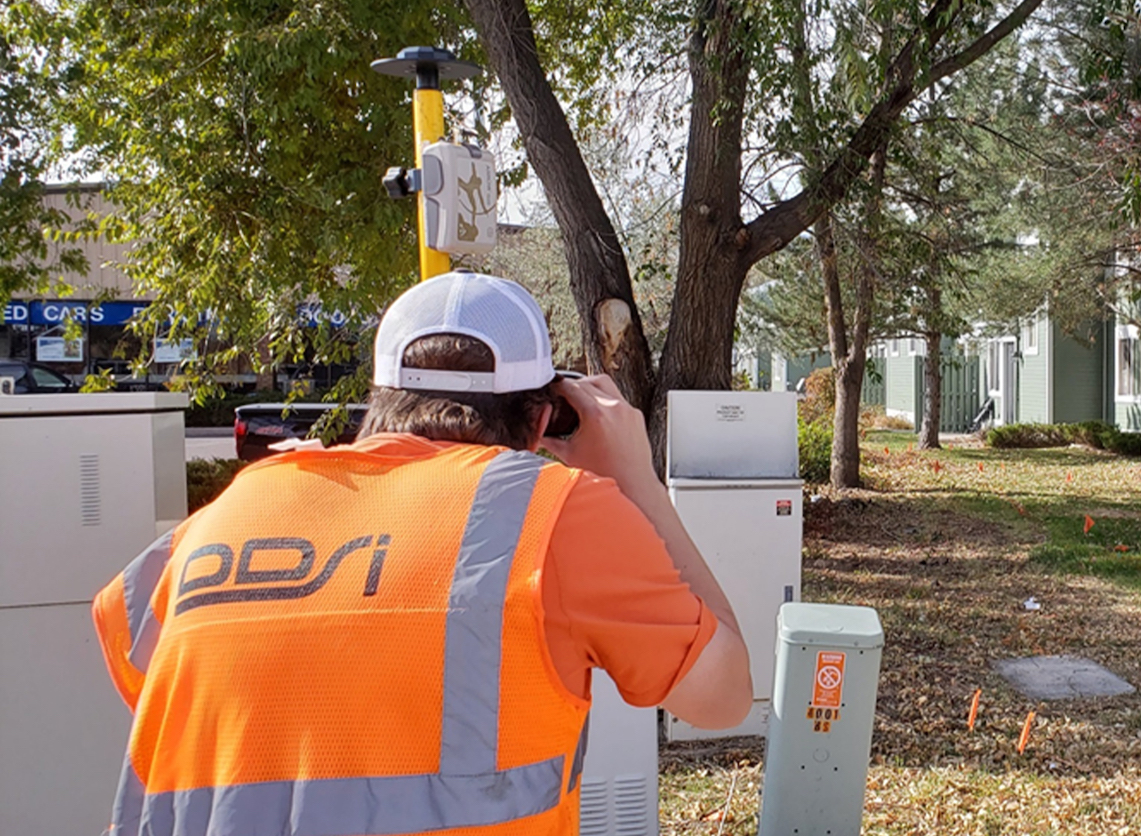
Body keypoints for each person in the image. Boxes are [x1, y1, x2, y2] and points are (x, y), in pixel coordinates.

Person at [92, 272, 752, 836]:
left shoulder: (224, 517)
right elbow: (724, 697)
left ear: (378, 398)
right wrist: (637, 482)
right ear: (544, 418)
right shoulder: (556, 513)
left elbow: (130, 650)